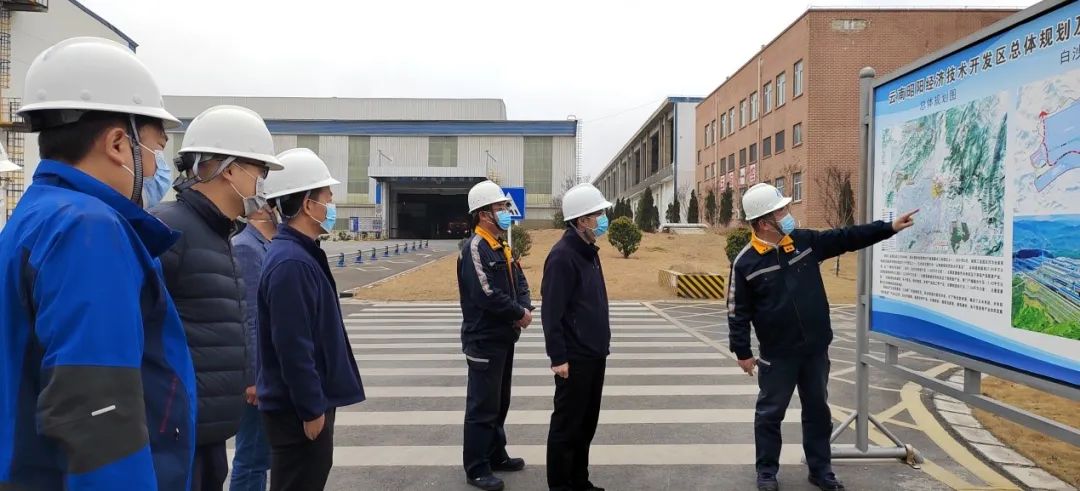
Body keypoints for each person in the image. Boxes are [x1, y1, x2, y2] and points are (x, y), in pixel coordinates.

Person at [0, 37, 196, 490]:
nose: (159, 166)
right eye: (156, 148)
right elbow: (99, 417)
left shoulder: (37, 215)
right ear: (117, 144)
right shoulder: (88, 228)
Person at [727, 182, 917, 491]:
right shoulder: (746, 263)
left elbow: (845, 238)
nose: (788, 214)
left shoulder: (804, 242)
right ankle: (766, 472)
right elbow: (737, 311)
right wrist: (742, 352)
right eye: (781, 211)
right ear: (764, 223)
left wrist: (888, 228)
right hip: (777, 355)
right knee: (770, 414)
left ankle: (821, 470)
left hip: (815, 350)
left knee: (818, 411)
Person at [152, 105, 283, 491]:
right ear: (230, 170)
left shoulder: (219, 232)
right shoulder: (167, 230)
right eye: (260, 171)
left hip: (206, 430)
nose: (262, 184)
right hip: (175, 434)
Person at [257, 148, 365, 491]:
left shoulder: (300, 254)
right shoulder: (291, 263)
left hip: (305, 402)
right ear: (307, 204)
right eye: (327, 197)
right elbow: (292, 345)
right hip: (297, 410)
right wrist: (311, 408)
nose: (332, 205)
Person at [457, 180, 534, 491]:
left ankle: (495, 454)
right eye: (500, 207)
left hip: (504, 337)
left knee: (500, 402)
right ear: (483, 214)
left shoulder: (501, 246)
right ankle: (476, 467)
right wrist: (518, 313)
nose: (505, 212)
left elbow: (521, 281)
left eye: (504, 206)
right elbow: (486, 294)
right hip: (483, 340)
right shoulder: (475, 248)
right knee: (482, 407)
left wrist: (525, 307)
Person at [541, 183, 613, 491]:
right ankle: (561, 485)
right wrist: (558, 357)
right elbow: (551, 312)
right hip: (574, 356)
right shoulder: (562, 256)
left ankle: (579, 480)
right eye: (598, 214)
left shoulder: (588, 251)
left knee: (586, 424)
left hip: (594, 352)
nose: (603, 219)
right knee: (567, 425)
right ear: (582, 220)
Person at [229, 203, 278, 491]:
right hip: (257, 376)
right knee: (252, 456)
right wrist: (254, 377)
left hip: (267, 370)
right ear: (262, 209)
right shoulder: (246, 247)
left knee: (261, 455)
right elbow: (248, 317)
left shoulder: (266, 245)